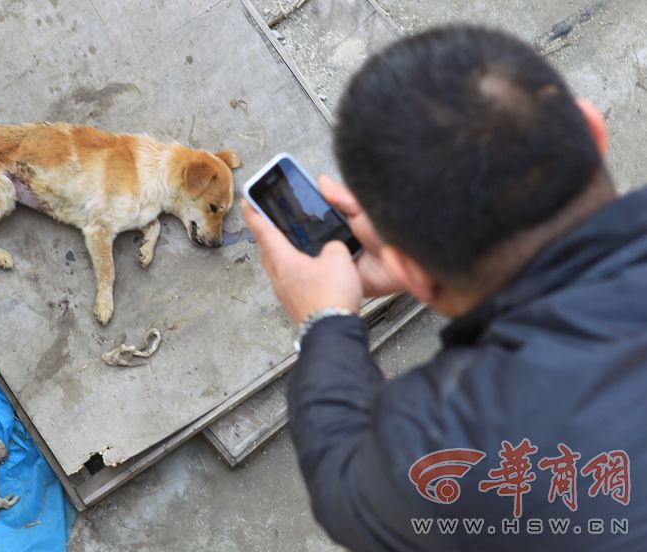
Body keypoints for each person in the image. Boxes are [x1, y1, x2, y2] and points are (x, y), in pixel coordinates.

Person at [242, 25, 646, 551]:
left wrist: (325, 323)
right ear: (592, 130)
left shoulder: (453, 444)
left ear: (409, 273)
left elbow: (346, 486)